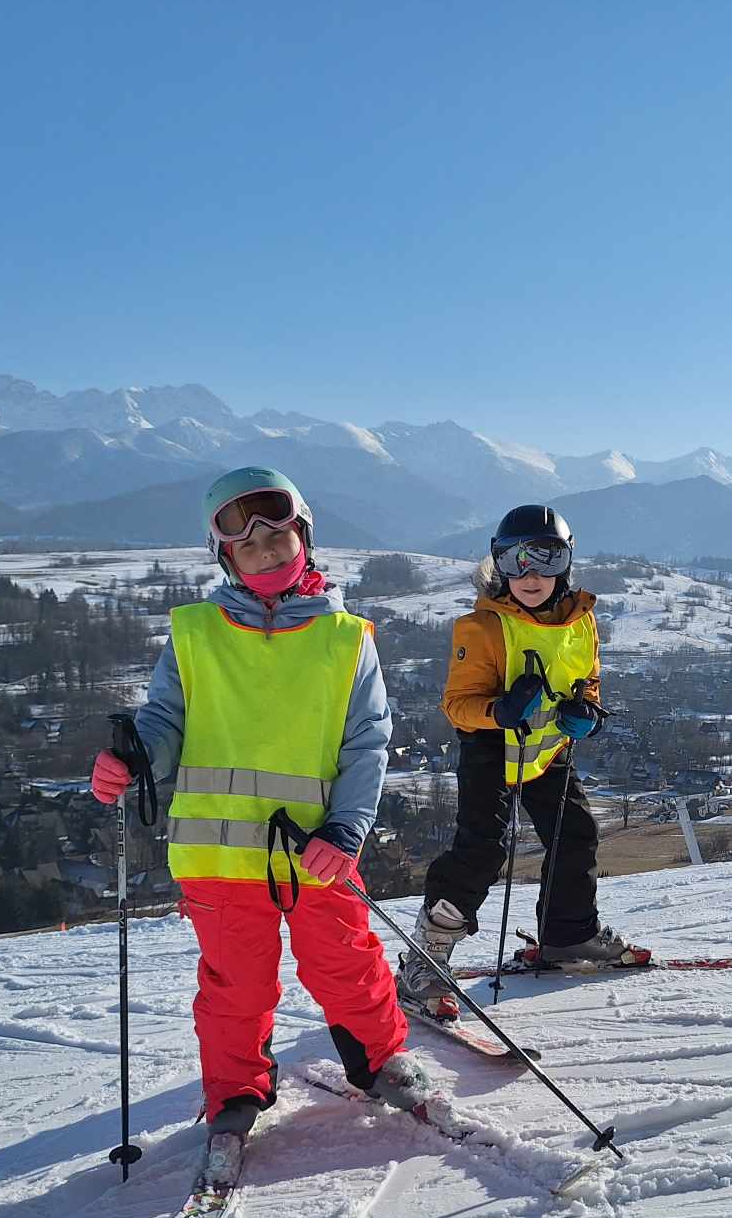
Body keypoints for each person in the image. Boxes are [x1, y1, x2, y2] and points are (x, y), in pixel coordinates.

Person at [90, 466, 424, 1138]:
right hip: (217, 853)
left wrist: (349, 826)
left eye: (278, 537)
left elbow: (367, 744)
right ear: (226, 556)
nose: (265, 551)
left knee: (346, 963)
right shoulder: (195, 633)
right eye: (246, 544)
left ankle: (383, 1062)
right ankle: (235, 1089)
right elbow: (164, 722)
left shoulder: (346, 641)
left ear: (304, 536)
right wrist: (133, 760)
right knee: (233, 987)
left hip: (318, 848)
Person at [393, 504, 633, 1016]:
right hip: (491, 749)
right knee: (481, 851)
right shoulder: (482, 627)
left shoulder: (582, 621)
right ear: (497, 564)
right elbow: (457, 706)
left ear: (566, 564)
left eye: (546, 558)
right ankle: (426, 957)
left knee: (577, 835)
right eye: (514, 559)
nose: (530, 574)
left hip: (548, 751)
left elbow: (588, 680)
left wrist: (586, 711)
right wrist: (499, 710)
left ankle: (569, 935)